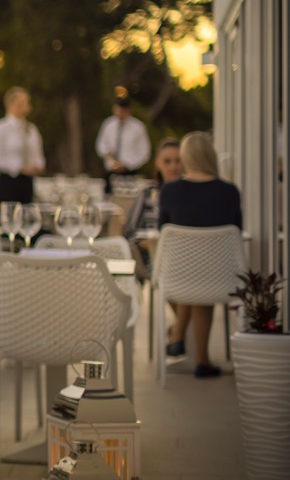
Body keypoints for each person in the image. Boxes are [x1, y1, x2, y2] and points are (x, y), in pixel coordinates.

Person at [158, 131, 242, 378]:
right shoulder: (230, 192)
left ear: (186, 158)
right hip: (221, 279)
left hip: (178, 277)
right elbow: (237, 230)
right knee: (201, 274)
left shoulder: (170, 191)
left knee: (190, 272)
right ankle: (202, 361)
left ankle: (178, 335)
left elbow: (162, 230)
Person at [0, 86, 44, 206]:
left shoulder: (32, 129)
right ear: (11, 104)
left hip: (28, 183)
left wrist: (38, 166)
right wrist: (19, 167)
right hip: (8, 182)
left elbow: (38, 154)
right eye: (22, 102)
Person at [96, 96, 151, 194]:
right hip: (110, 171)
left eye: (123, 111)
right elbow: (100, 144)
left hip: (129, 173)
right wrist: (107, 152)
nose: (120, 113)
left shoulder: (138, 127)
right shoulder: (108, 124)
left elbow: (144, 152)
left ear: (128, 111)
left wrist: (127, 164)